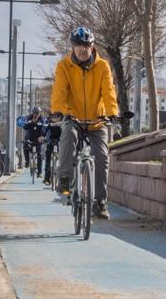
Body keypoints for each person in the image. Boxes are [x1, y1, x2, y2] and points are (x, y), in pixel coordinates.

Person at [50, 26, 119, 218]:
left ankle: (100, 202)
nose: (82, 49)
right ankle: (64, 178)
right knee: (68, 135)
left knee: (102, 157)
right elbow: (59, 91)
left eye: (86, 45)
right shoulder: (64, 66)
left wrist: (112, 112)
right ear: (73, 46)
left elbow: (109, 91)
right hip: (73, 117)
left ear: (92, 46)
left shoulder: (103, 66)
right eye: (78, 45)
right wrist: (57, 111)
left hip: (97, 120)